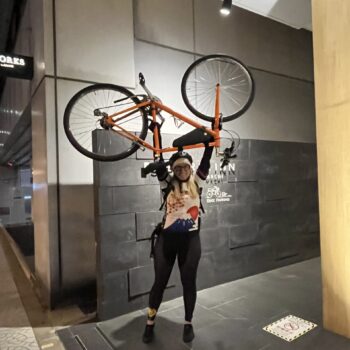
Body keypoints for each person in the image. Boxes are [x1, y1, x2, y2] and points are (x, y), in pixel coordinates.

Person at [142, 144, 213, 344]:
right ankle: (150, 322)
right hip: (167, 241)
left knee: (188, 283)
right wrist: (156, 128)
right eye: (178, 167)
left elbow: (206, 162)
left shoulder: (197, 181)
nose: (182, 170)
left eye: (186, 167)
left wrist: (209, 144)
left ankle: (188, 323)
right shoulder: (166, 183)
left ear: (191, 168)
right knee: (159, 284)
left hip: (190, 242)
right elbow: (159, 162)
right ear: (173, 170)